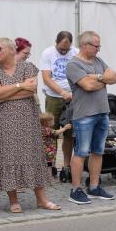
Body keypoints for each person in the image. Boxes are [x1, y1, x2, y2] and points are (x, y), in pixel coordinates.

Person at [0, 37, 59, 214]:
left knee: (32, 155)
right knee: (7, 156)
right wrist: (20, 85)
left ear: (11, 50)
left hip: (27, 119)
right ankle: (13, 200)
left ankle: (41, 199)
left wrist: (7, 92)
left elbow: (30, 90)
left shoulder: (28, 67)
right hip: (2, 121)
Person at [65, 31, 116, 205]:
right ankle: (76, 189)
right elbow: (87, 86)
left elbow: (115, 77)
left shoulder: (98, 61)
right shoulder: (73, 64)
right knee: (81, 152)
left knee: (98, 151)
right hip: (84, 114)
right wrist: (103, 78)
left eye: (99, 46)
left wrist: (96, 77)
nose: (98, 49)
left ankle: (94, 186)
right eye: (96, 46)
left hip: (102, 112)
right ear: (85, 45)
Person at [39, 31, 79, 174]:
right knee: (51, 132)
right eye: (61, 48)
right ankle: (51, 165)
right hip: (54, 97)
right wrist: (62, 92)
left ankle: (67, 166)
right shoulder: (48, 53)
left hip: (73, 97)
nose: (63, 50)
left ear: (71, 45)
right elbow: (46, 78)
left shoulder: (76, 52)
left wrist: (73, 93)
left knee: (69, 132)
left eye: (66, 49)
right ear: (56, 42)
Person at [39, 111, 71, 177]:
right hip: (48, 151)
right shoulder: (47, 129)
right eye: (52, 121)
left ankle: (45, 175)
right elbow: (56, 132)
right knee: (49, 163)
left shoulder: (40, 128)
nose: (54, 122)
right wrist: (65, 128)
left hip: (43, 150)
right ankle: (48, 176)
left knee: (45, 163)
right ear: (46, 122)